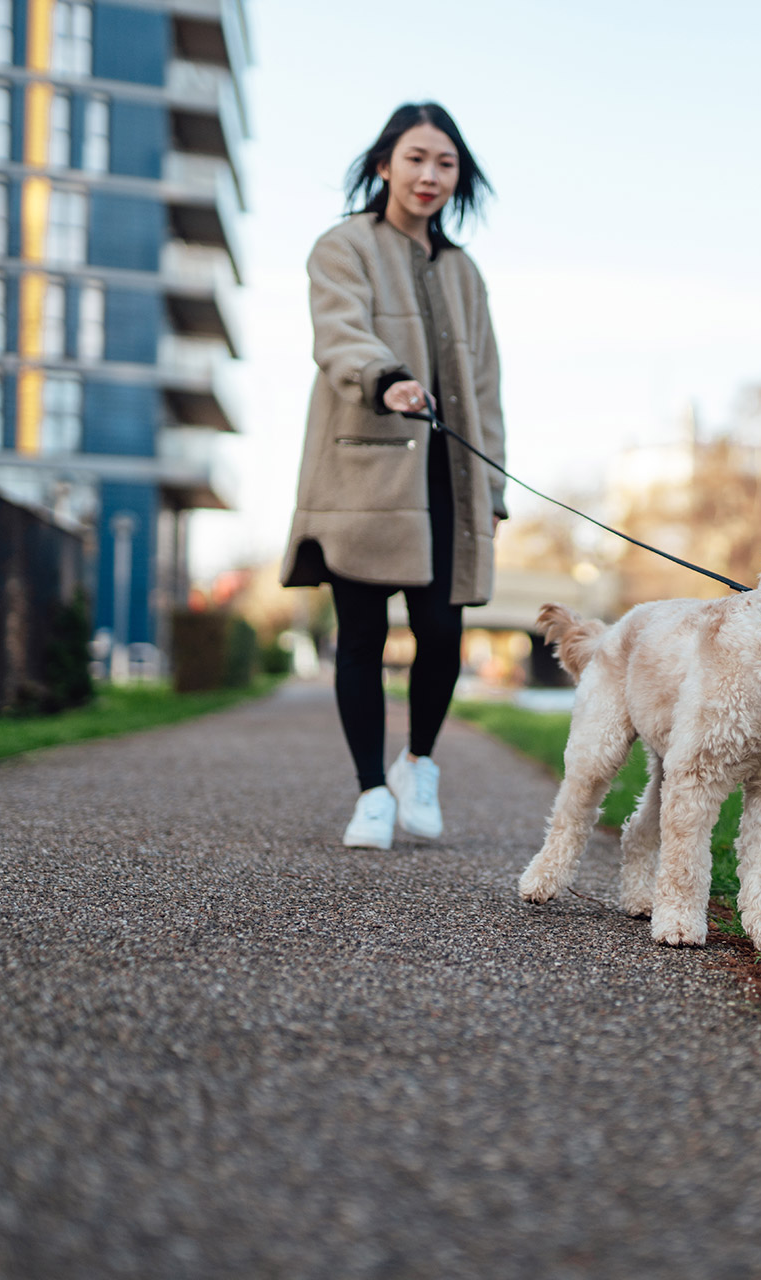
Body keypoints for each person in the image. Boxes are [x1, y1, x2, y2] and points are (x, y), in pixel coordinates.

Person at [281, 102, 506, 850]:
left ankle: (417, 762)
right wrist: (388, 380)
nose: (429, 175)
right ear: (384, 164)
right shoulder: (343, 246)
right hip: (364, 473)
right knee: (362, 634)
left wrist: (493, 481)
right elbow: (338, 334)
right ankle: (370, 791)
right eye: (416, 158)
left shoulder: (465, 272)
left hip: (446, 476)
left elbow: (487, 387)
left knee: (442, 634)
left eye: (445, 163)